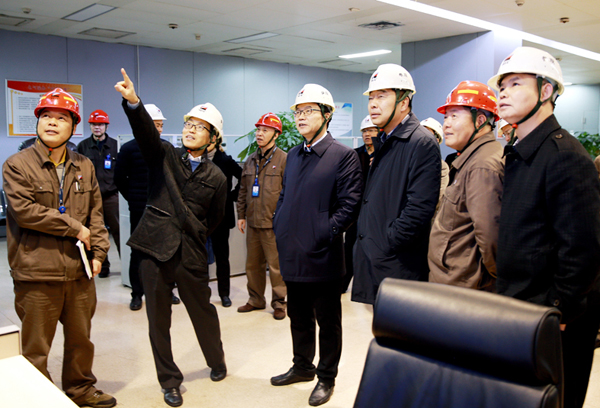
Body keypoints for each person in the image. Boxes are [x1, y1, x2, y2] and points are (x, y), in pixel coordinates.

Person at [489, 46, 600, 408]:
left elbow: (582, 249)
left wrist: (560, 310)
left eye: (515, 84)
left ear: (546, 90)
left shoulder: (565, 156)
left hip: (552, 317)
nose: (503, 92)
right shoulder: (520, 152)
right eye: (501, 86)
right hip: (519, 308)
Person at [115, 69, 228, 408]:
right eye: (188, 124)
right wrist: (133, 103)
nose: (191, 130)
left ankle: (216, 359)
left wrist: (192, 233)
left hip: (190, 253)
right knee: (158, 321)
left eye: (200, 127)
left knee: (203, 312)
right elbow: (145, 132)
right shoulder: (163, 154)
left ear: (213, 138)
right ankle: (169, 381)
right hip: (154, 249)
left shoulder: (218, 177)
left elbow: (215, 219)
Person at [2, 88, 116, 407]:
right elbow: (25, 211)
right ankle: (38, 397)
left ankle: (81, 388)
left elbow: (96, 212)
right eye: (46, 116)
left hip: (79, 272)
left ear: (73, 126)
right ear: (38, 122)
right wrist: (74, 227)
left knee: (81, 340)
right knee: (36, 346)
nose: (52, 122)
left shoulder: (84, 165)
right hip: (37, 271)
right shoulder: (17, 165)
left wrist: (99, 253)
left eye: (61, 118)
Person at [271, 84, 362, 406]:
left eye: (309, 110)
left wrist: (323, 232)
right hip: (292, 251)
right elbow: (285, 195)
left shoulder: (343, 155)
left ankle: (326, 377)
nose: (301, 117)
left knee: (328, 321)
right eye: (298, 111)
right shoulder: (294, 154)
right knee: (298, 316)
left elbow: (350, 205)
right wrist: (279, 222)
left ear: (326, 115)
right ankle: (302, 367)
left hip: (323, 255)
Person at [352, 63, 441, 305]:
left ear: (404, 102)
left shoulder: (421, 142)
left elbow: (419, 209)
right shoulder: (385, 139)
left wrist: (386, 241)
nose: (373, 104)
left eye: (381, 96)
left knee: (399, 326)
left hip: (398, 263)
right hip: (377, 258)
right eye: (371, 97)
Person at [428, 81, 504, 291]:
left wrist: (490, 281)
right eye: (446, 117)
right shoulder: (471, 159)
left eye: (454, 116)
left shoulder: (482, 166)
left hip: (464, 286)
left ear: (480, 121)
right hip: (452, 281)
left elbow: (489, 237)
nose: (446, 124)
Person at [114, 103, 180, 310]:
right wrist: (134, 198)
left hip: (164, 210)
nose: (159, 129)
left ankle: (167, 291)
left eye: (161, 125)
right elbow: (119, 179)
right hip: (140, 208)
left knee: (165, 252)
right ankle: (137, 294)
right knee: (138, 252)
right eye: (155, 125)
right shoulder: (128, 149)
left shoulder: (167, 148)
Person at [236, 113, 287, 319]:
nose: (259, 133)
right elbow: (243, 190)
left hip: (273, 223)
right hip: (253, 222)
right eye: (258, 129)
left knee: (276, 267)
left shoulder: (284, 159)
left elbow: (289, 192)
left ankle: (279, 303)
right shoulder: (250, 160)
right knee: (253, 265)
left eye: (265, 130)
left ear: (276, 134)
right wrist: (241, 215)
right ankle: (256, 299)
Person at [77, 109, 120, 278]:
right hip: (92, 198)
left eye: (100, 124)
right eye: (94, 124)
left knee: (118, 231)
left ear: (106, 126)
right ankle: (103, 266)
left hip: (111, 196)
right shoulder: (83, 146)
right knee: (95, 232)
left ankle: (128, 267)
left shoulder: (115, 146)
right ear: (90, 126)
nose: (97, 127)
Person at [205, 131, 242, 308]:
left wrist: (231, 196)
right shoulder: (196, 159)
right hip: (200, 216)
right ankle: (201, 293)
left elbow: (243, 177)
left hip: (221, 215)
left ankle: (224, 293)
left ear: (216, 139)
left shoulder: (225, 160)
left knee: (222, 256)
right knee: (199, 257)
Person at [342, 115, 376, 293]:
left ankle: (370, 287)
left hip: (376, 213)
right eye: (364, 131)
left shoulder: (386, 154)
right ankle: (342, 284)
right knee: (348, 248)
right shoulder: (354, 154)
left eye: (371, 130)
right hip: (356, 212)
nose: (367, 134)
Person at [420, 117, 450, 215]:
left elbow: (436, 200)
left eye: (427, 134)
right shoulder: (405, 159)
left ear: (436, 140)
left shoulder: (442, 167)